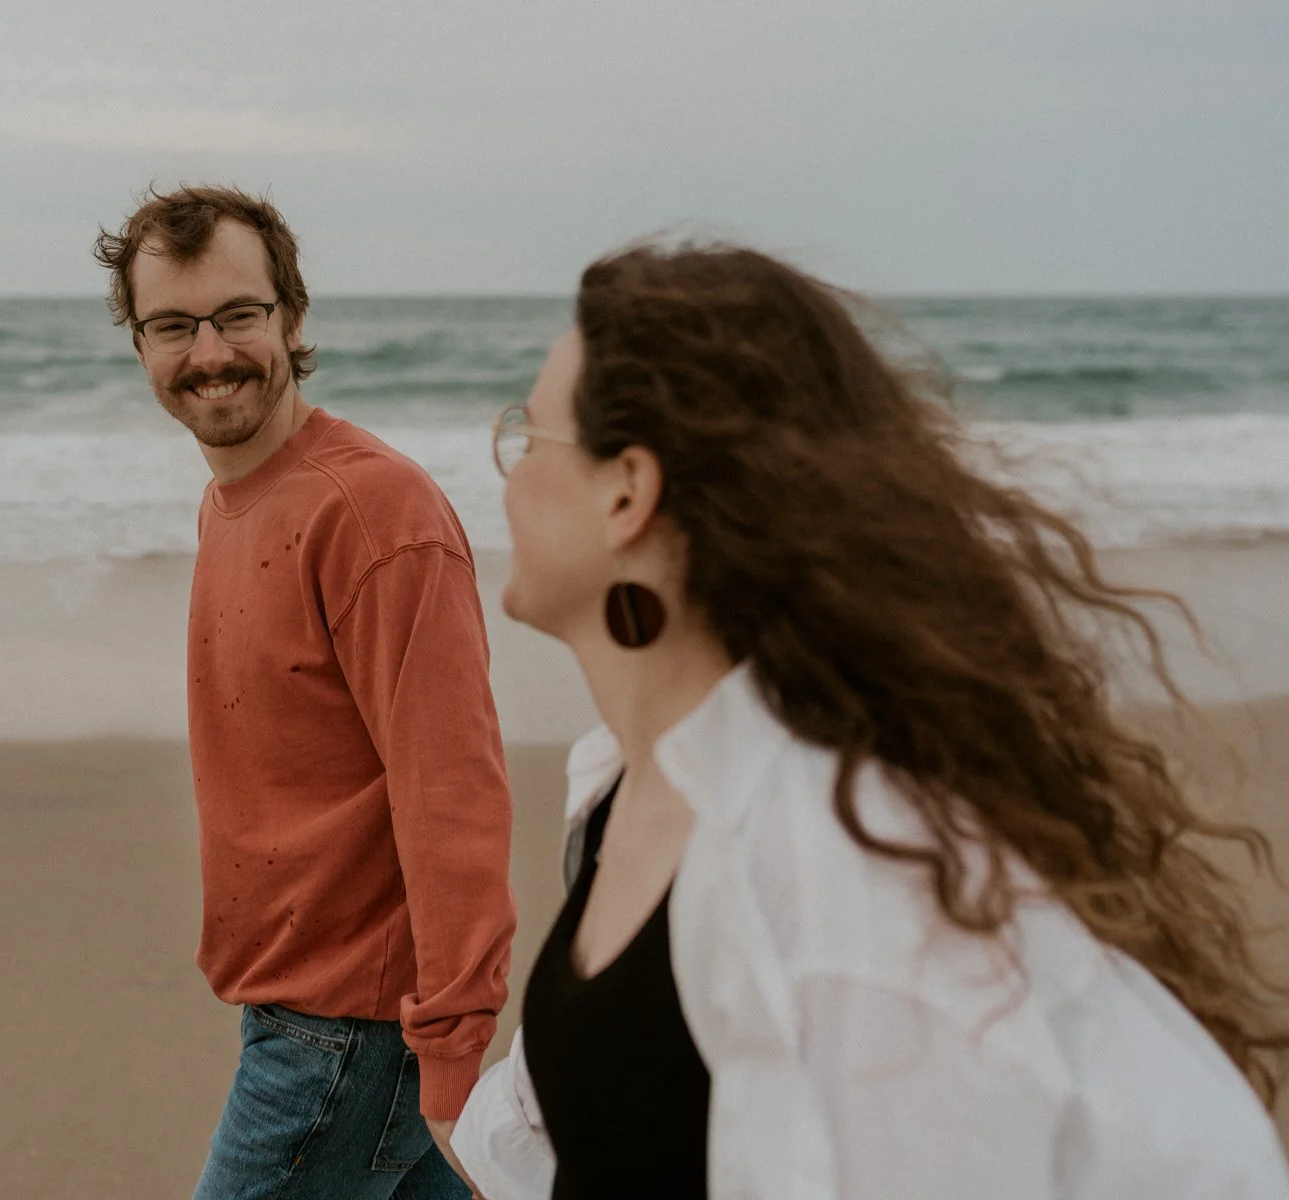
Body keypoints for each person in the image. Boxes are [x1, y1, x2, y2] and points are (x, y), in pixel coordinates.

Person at [450, 241, 1289, 1198]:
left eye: (528, 438)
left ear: (629, 493)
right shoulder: (634, 786)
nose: (508, 477)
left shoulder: (849, 871)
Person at [94, 185, 516, 1199]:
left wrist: (454, 1046)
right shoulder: (233, 499)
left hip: (348, 1033)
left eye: (238, 316)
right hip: (297, 1009)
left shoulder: (371, 511)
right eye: (173, 326)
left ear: (291, 316)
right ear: (140, 343)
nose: (209, 354)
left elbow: (450, 787)